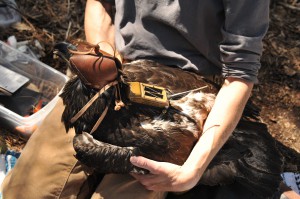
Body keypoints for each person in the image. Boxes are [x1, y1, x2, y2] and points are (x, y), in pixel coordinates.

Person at [1, 0, 270, 198]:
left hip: (191, 90)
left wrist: (192, 170)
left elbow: (239, 77)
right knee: (29, 189)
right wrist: (105, 59)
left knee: (129, 188)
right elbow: (101, 4)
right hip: (124, 68)